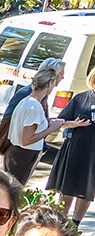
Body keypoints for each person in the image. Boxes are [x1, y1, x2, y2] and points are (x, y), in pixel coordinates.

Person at [3, 67, 84, 185]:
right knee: (13, 192)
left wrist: (66, 123)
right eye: (54, 82)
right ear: (50, 83)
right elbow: (26, 140)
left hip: (18, 155)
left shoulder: (27, 101)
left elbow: (37, 123)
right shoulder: (33, 106)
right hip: (23, 156)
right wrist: (52, 128)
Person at [46, 66, 95, 222]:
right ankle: (61, 222)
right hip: (76, 150)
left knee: (88, 189)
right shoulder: (81, 98)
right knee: (68, 188)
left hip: (93, 154)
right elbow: (60, 122)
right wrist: (74, 124)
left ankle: (75, 225)